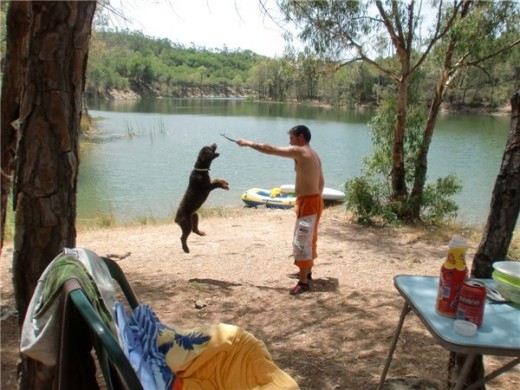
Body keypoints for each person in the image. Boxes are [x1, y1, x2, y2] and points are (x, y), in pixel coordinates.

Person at [236, 125, 325, 295]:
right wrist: (316, 199)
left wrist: (248, 143)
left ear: (300, 138)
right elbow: (321, 180)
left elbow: (271, 149)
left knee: (302, 241)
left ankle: (304, 282)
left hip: (309, 202)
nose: (289, 142)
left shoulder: (301, 151)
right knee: (309, 238)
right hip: (313, 201)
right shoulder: (314, 154)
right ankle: (306, 271)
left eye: (291, 138)